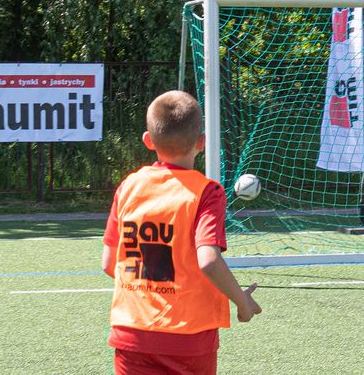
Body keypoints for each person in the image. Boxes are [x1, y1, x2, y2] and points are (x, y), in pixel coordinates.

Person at [102, 90, 261, 374]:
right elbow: (208, 260)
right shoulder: (207, 193)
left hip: (132, 332)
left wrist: (151, 290)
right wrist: (242, 301)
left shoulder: (128, 186)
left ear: (148, 141)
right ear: (201, 142)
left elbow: (108, 263)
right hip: (188, 336)